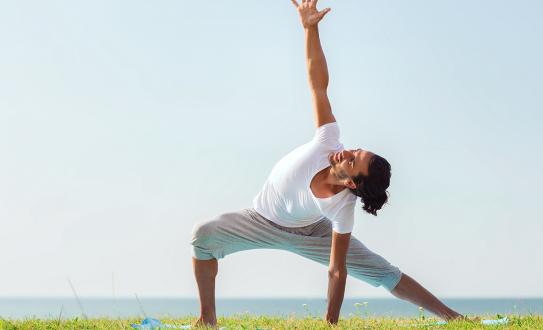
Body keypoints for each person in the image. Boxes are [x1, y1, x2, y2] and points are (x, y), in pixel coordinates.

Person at [190, 0, 464, 326]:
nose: (345, 153)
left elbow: (337, 270)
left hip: (310, 231)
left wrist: (329, 324)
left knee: (382, 271)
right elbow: (318, 83)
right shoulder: (329, 139)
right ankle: (207, 320)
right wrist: (310, 28)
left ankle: (455, 318)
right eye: (355, 150)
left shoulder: (341, 208)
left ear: (351, 183)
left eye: (352, 161)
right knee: (202, 237)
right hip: (261, 219)